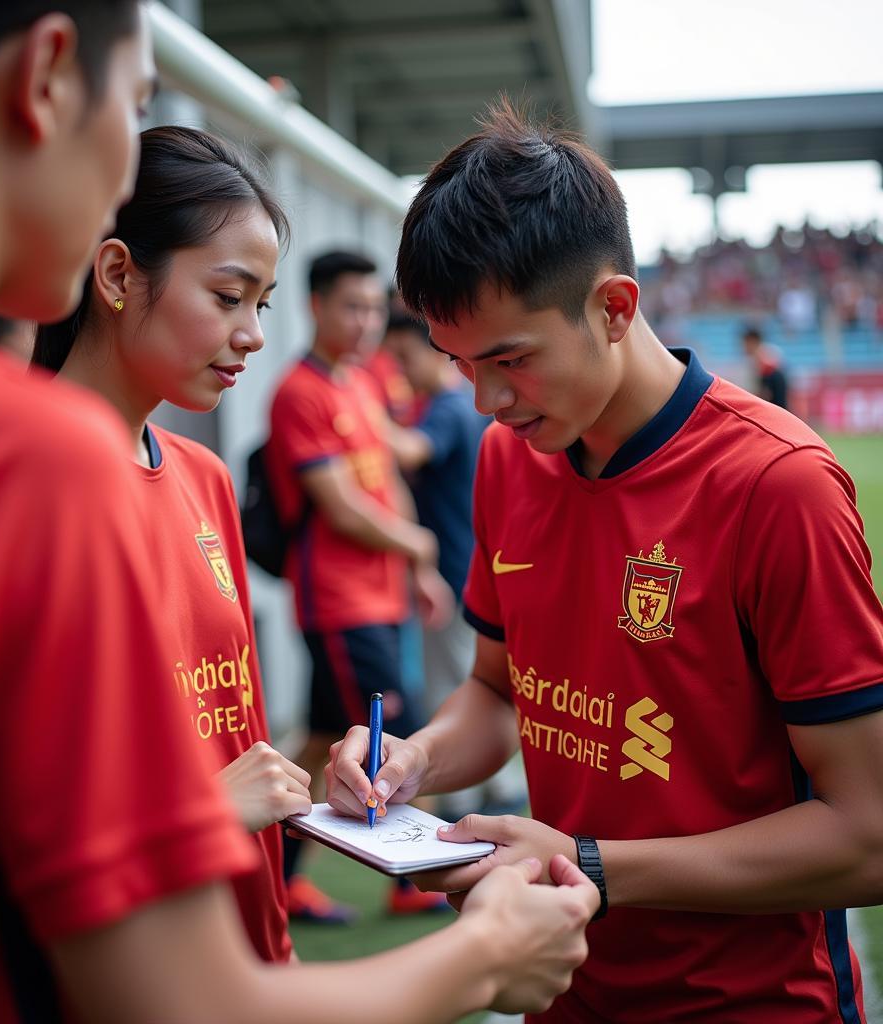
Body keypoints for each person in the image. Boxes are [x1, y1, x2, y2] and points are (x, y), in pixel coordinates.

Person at [0, 7, 599, 1020]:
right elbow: (174, 994)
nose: (254, 333)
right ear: (49, 77)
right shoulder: (22, 456)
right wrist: (486, 957)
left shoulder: (173, 472)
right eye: (138, 105)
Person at [326, 100, 883, 1024]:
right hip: (562, 992)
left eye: (510, 358)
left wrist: (587, 864)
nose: (487, 399)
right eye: (459, 363)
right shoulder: (513, 455)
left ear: (614, 307)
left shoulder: (778, 487)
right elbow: (501, 695)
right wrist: (408, 763)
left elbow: (867, 838)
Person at [32, 124, 314, 964]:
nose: (254, 333)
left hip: (243, 946)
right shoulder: (24, 485)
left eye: (261, 304)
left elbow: (234, 725)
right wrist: (206, 813)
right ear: (118, 273)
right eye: (229, 297)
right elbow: (23, 814)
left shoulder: (203, 476)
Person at [267, 250, 453, 920]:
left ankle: (277, 880)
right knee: (390, 738)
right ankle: (411, 879)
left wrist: (418, 567)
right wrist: (421, 543)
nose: (367, 321)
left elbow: (388, 484)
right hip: (341, 605)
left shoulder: (364, 383)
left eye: (375, 307)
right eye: (352, 306)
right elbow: (341, 505)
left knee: (320, 743)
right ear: (314, 306)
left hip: (380, 598)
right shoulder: (299, 392)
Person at [384, 312, 526, 819]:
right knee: (477, 681)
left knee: (455, 684)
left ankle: (463, 803)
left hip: (454, 572)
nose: (396, 369)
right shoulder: (450, 406)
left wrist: (357, 408)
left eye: (403, 357)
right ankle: (495, 791)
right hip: (465, 567)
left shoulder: (447, 407)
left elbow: (412, 450)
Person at [742, 324, 790, 409]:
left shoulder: (767, 355)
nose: (744, 347)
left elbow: (772, 381)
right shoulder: (754, 358)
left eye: (746, 343)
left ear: (753, 341)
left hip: (775, 386)